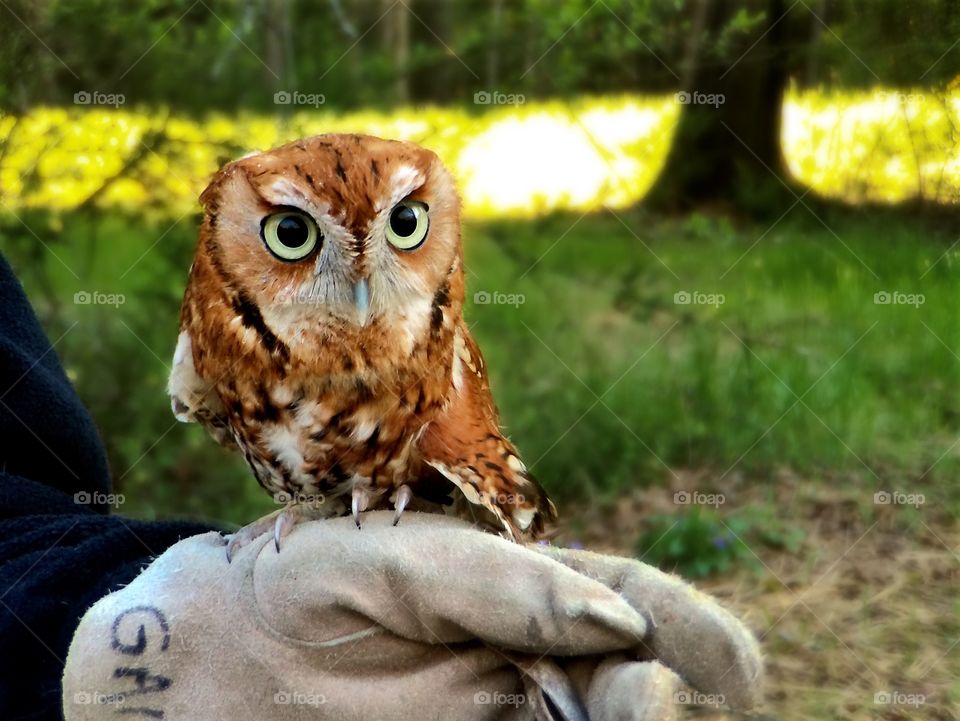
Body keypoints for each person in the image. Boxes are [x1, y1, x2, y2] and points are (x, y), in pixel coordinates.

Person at [0, 252, 762, 720]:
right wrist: (178, 641)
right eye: (293, 236)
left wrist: (97, 621)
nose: (358, 283)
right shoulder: (212, 347)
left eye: (403, 229)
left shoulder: (432, 352)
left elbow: (20, 509)